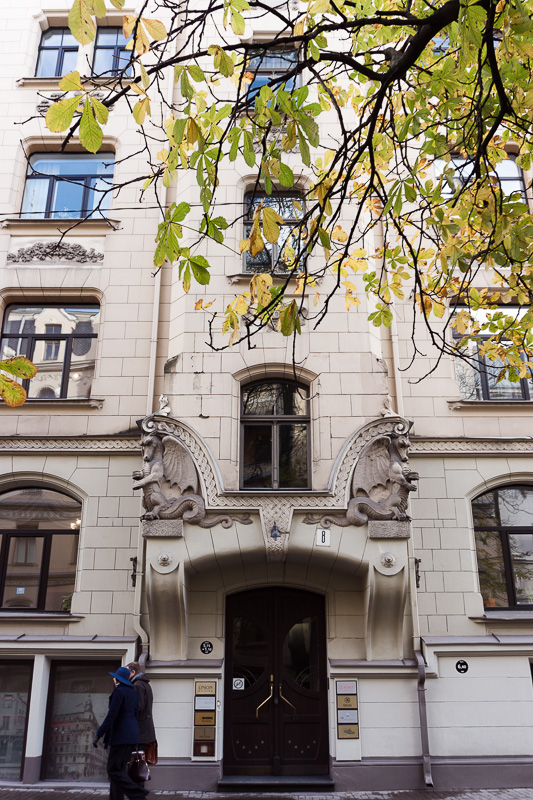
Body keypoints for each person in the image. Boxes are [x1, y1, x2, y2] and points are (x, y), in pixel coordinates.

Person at [93, 666, 149, 800]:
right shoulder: (133, 693)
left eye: (115, 676)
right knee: (119, 770)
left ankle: (137, 792)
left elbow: (111, 716)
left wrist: (99, 733)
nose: (113, 678)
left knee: (113, 770)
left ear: (118, 679)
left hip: (120, 737)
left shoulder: (119, 692)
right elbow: (135, 715)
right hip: (132, 736)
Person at [127, 662, 157, 765]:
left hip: (139, 731)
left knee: (136, 761)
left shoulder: (137, 685)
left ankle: (136, 781)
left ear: (133, 672)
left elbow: (138, 707)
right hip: (145, 730)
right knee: (140, 761)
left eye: (127, 672)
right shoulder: (145, 684)